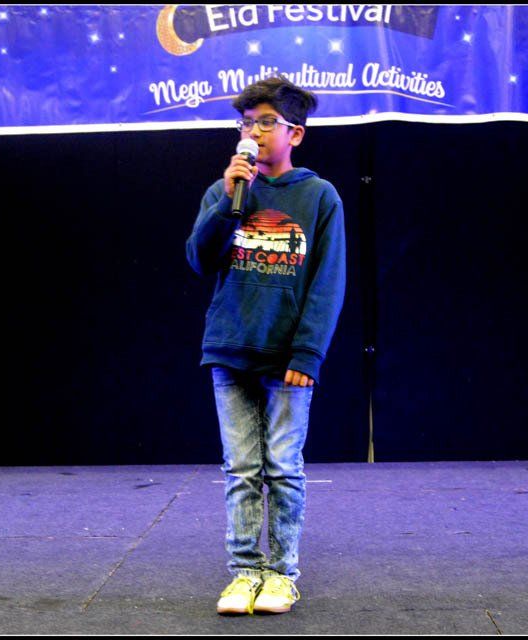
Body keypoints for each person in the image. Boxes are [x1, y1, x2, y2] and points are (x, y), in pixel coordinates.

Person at [184, 76, 347, 615]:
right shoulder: (225, 189)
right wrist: (230, 200)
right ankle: (243, 573)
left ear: (294, 133)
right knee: (240, 468)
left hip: (286, 356)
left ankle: (281, 574)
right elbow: (198, 260)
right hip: (230, 347)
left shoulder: (319, 196)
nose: (253, 130)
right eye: (246, 121)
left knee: (282, 465)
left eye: (265, 121)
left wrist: (308, 354)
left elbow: (327, 283)